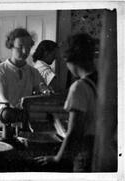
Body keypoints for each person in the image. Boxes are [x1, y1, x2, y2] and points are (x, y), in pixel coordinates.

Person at [34, 33, 98, 172]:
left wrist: (57, 158)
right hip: (101, 147)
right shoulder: (101, 82)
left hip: (85, 151)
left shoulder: (79, 87)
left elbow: (75, 131)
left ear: (69, 59)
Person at [0, 28, 46, 130]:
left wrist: (45, 90)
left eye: (28, 47)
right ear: (11, 46)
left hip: (23, 124)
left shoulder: (33, 72)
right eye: (20, 47)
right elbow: (4, 100)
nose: (25, 51)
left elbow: (42, 90)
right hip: (1, 124)